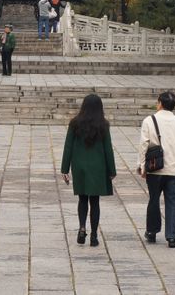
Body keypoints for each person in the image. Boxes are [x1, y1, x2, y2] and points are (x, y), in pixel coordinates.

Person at [137, 91, 175, 248]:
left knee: (154, 199)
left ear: (160, 103)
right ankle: (172, 237)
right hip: (174, 168)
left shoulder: (149, 120)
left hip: (155, 168)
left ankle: (152, 231)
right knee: (173, 201)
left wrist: (142, 166)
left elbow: (144, 145)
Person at [61, 94, 116, 247]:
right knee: (95, 201)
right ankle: (94, 235)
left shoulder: (75, 123)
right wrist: (112, 170)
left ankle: (82, 227)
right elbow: (108, 149)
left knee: (82, 199)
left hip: (80, 166)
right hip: (98, 167)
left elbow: (68, 146)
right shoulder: (103, 125)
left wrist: (65, 169)